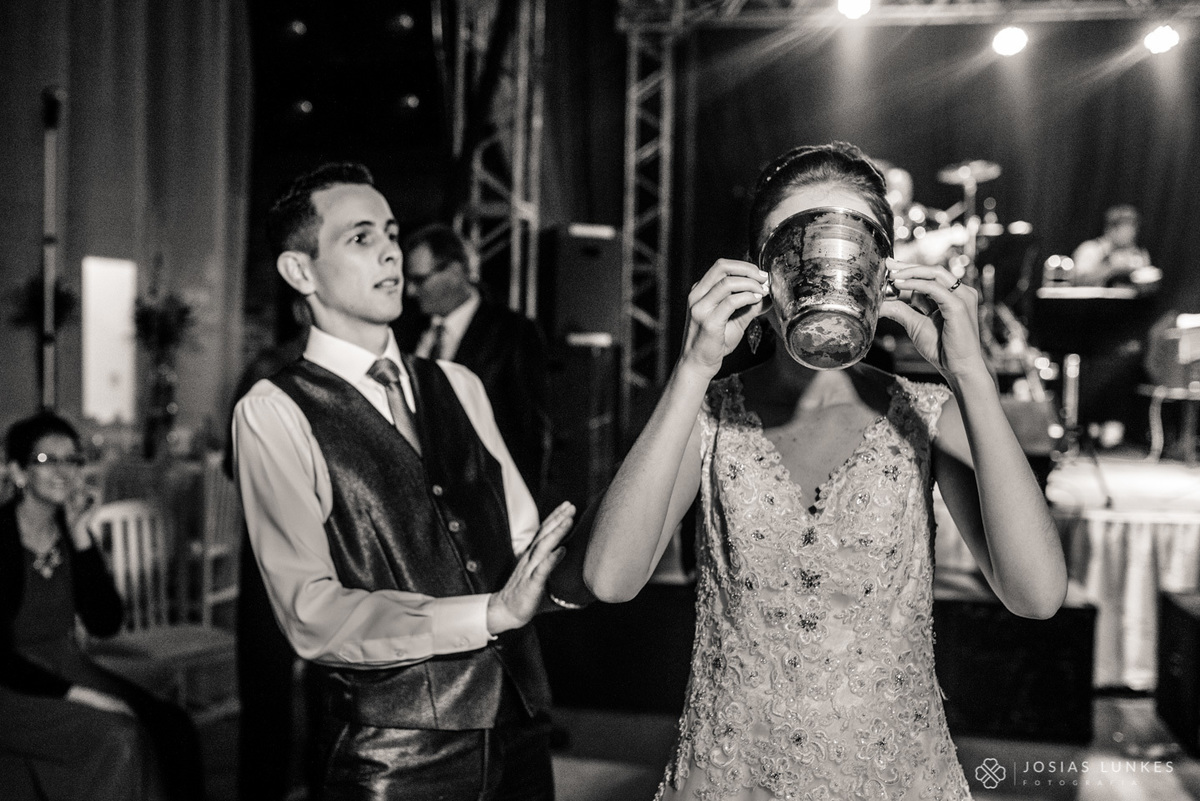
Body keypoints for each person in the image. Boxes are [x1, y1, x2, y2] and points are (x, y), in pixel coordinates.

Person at [582, 142, 1068, 800]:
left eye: (849, 239)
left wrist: (971, 375)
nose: (825, 265)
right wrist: (693, 366)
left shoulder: (924, 413)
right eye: (800, 242)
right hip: (731, 777)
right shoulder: (712, 414)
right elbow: (609, 578)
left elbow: (1036, 594)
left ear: (880, 267)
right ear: (762, 268)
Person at [233, 161, 582, 800]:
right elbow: (311, 613)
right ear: (300, 271)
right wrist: (488, 613)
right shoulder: (273, 410)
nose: (391, 251)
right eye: (361, 237)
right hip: (393, 755)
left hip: (518, 721)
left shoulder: (459, 385)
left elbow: (522, 540)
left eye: (391, 233)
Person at [0, 411, 204, 801]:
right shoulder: (1, 539)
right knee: (119, 736)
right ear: (18, 472)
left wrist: (80, 537)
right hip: (12, 684)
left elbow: (105, 622)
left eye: (73, 459)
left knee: (174, 726)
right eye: (47, 460)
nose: (65, 471)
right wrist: (86, 697)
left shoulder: (68, 528)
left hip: (69, 665)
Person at [394, 223, 550, 500]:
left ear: (454, 272)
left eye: (419, 280)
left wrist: (522, 507)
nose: (410, 292)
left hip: (482, 494)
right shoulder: (403, 330)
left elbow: (530, 431)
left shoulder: (512, 333)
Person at [1070, 204, 1160, 290]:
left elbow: (1146, 290)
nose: (1130, 236)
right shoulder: (1091, 249)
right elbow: (1078, 282)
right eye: (1125, 230)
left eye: (1133, 230)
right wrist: (1111, 268)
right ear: (1110, 230)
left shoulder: (1138, 254)